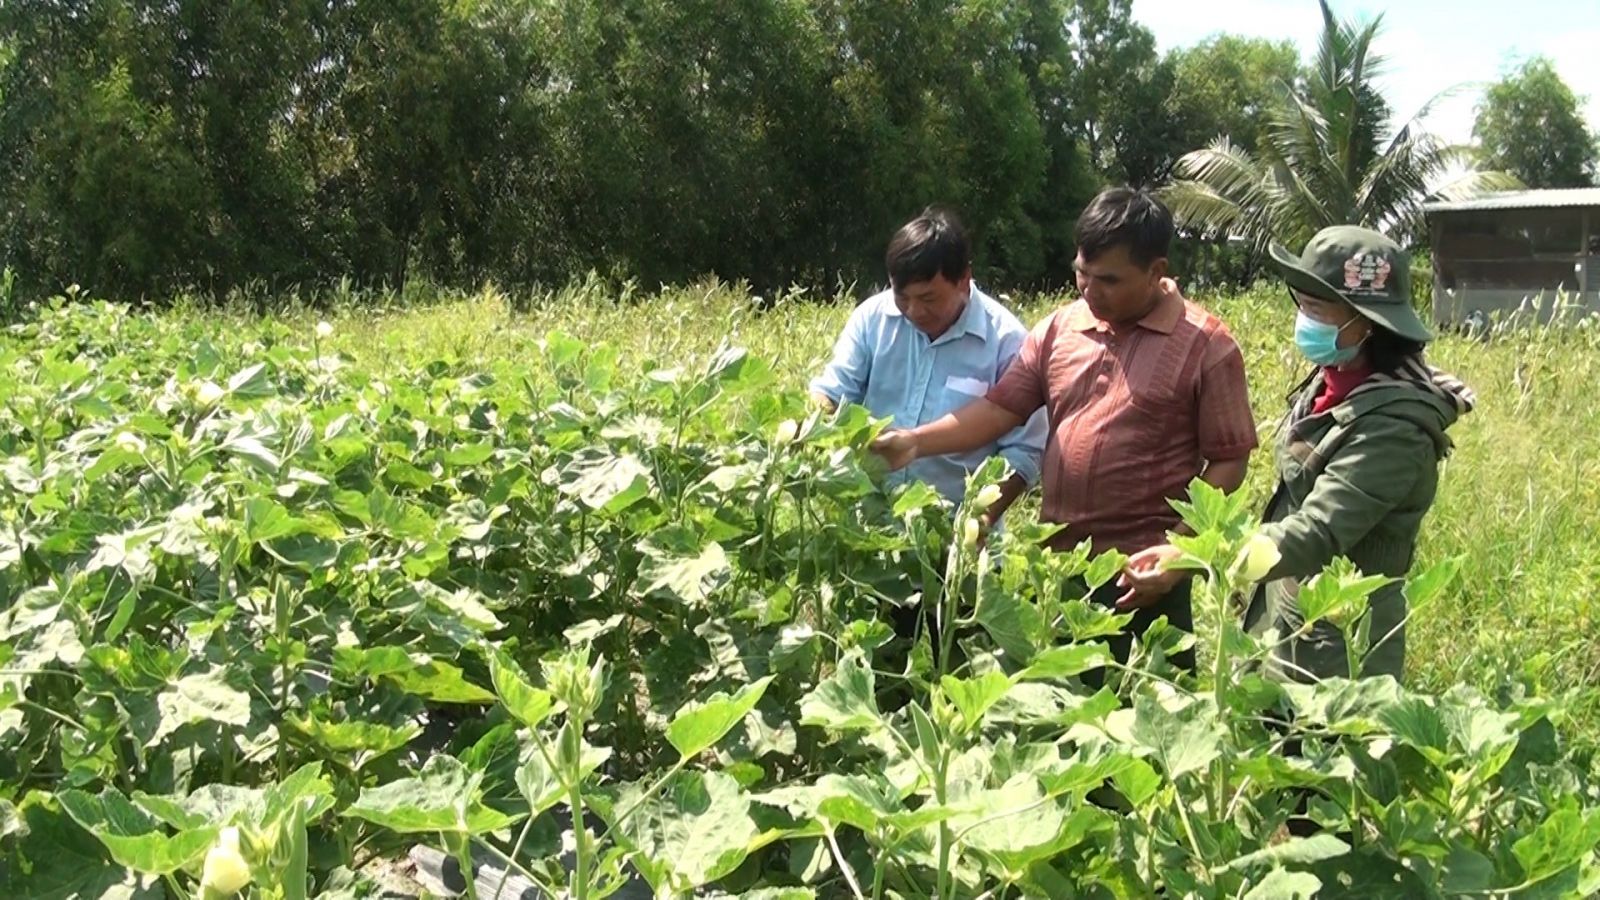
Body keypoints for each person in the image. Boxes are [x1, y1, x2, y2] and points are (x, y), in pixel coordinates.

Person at [871, 188, 1258, 674]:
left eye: (1108, 280)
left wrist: (1180, 551)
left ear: (1156, 272)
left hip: (1142, 577)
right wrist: (914, 442)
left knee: (1146, 723)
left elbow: (1230, 460)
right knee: (1057, 723)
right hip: (1059, 570)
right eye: (1081, 273)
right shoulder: (1060, 329)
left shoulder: (1206, 345)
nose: (1088, 290)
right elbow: (997, 411)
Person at [1123, 225, 1475, 682]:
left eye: (1315, 309)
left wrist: (1195, 557)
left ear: (1365, 323)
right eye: (1301, 304)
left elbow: (1318, 532)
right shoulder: (1335, 378)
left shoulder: (1396, 426)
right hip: (1287, 607)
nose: (1303, 320)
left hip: (1340, 635)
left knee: (1323, 745)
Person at [809, 206, 1047, 528]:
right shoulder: (872, 319)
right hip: (873, 526)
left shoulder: (1007, 341)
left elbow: (1025, 451)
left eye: (929, 298)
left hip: (956, 530)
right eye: (901, 297)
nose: (913, 310)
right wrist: (810, 425)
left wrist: (977, 521)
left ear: (964, 279)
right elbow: (834, 391)